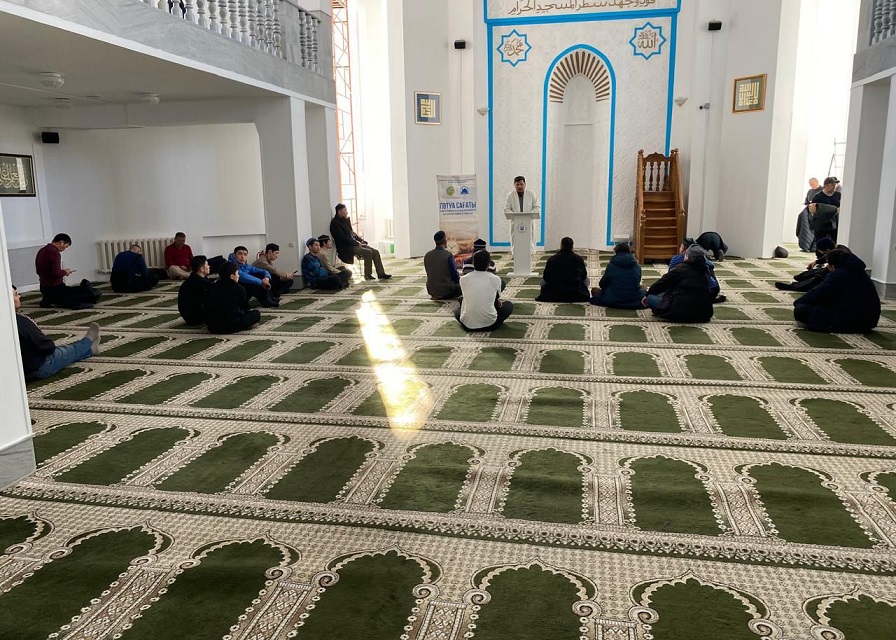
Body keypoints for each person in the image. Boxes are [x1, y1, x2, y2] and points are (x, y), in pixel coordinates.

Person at [14, 285, 100, 380]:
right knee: (69, 350)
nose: (19, 296)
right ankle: (88, 341)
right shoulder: (20, 322)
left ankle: (90, 349)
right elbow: (47, 346)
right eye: (16, 294)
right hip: (38, 367)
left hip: (17, 371)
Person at [793, 248, 880, 333]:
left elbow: (818, 292)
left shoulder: (838, 275)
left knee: (802, 309)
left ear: (832, 266)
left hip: (854, 321)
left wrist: (798, 303)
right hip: (870, 320)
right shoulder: (858, 271)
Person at [643, 244, 715, 323]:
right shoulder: (706, 271)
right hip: (703, 314)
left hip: (679, 312)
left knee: (650, 297)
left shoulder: (680, 268)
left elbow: (661, 284)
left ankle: (660, 311)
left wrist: (647, 295)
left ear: (687, 256)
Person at [35, 233, 99, 309]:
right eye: (66, 246)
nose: (64, 249)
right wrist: (65, 272)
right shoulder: (54, 253)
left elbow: (40, 271)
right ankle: (63, 301)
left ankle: (49, 299)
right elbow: (56, 273)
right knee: (95, 293)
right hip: (56, 289)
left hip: (44, 288)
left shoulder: (42, 250)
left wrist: (63, 272)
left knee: (76, 290)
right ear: (61, 242)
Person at [455, 250, 513, 331]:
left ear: (473, 263)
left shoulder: (463, 279)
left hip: (467, 324)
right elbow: (497, 299)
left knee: (457, 310)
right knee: (508, 305)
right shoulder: (495, 279)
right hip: (490, 324)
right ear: (489, 264)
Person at [329, 203, 391, 280]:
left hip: (355, 244)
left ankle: (381, 273)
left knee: (375, 252)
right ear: (339, 212)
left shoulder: (345, 221)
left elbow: (353, 234)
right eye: (345, 210)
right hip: (346, 248)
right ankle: (367, 275)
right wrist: (357, 243)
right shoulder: (335, 223)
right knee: (368, 252)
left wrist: (361, 241)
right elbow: (343, 238)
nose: (347, 212)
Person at [204, 262, 261, 334]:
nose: (238, 276)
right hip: (230, 326)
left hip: (212, 327)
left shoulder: (213, 286)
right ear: (232, 276)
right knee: (256, 313)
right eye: (237, 274)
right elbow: (245, 308)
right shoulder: (238, 288)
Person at [589, 243, 646, 309]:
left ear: (616, 252)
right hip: (633, 299)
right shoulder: (637, 266)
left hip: (613, 300)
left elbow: (602, 284)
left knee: (594, 290)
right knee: (644, 287)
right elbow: (637, 282)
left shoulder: (612, 266)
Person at [669, 238, 725, 303]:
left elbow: (669, 276)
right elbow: (711, 265)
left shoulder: (675, 259)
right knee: (709, 268)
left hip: (680, 293)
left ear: (683, 249)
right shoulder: (701, 261)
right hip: (703, 292)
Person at [535, 236, 589, 302]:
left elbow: (546, 277)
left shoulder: (552, 259)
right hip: (575, 292)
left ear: (561, 246)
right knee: (587, 280)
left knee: (542, 281)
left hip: (554, 292)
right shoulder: (578, 259)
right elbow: (583, 276)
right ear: (572, 247)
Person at [503, 176, 539, 255]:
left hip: (529, 222)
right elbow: (507, 209)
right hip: (515, 222)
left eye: (521, 184)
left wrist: (529, 214)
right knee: (516, 241)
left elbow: (537, 207)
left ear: (525, 184)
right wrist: (516, 215)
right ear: (514, 185)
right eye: (517, 184)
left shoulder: (531, 194)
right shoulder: (510, 195)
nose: (519, 186)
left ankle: (530, 254)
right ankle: (516, 254)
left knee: (529, 240)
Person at [424, 230, 461, 300]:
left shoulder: (427, 255)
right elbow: (454, 274)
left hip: (431, 290)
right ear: (445, 241)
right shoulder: (448, 255)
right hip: (446, 290)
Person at [177, 255, 213, 325]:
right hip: (195, 317)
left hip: (188, 316)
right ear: (202, 269)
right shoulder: (200, 282)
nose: (209, 266)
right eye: (207, 264)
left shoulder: (193, 278)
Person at [809, 177, 841, 244]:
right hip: (821, 224)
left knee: (834, 242)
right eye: (832, 185)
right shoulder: (818, 196)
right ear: (826, 186)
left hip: (834, 223)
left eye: (834, 185)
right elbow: (813, 209)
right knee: (820, 242)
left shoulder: (838, 195)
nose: (834, 187)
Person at [797, 178, 822, 252]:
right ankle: (806, 246)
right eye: (811, 185)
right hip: (809, 212)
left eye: (813, 184)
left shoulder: (822, 191)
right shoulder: (810, 191)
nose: (812, 186)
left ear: (817, 182)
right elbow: (807, 201)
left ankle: (814, 247)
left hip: (819, 213)